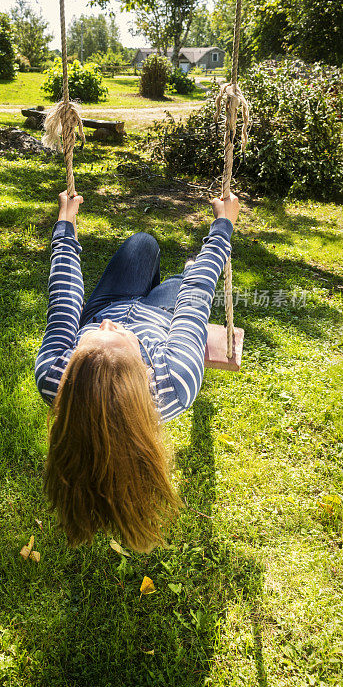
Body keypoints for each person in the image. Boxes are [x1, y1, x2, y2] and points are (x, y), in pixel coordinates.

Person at [35, 189, 240, 552]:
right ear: (142, 372)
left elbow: (63, 303)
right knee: (182, 283)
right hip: (162, 322)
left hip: (108, 301)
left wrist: (64, 229)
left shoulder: (55, 374)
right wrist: (222, 228)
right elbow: (196, 297)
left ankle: (153, 282)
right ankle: (169, 284)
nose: (106, 327)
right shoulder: (175, 378)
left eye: (90, 338)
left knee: (142, 245)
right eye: (115, 338)